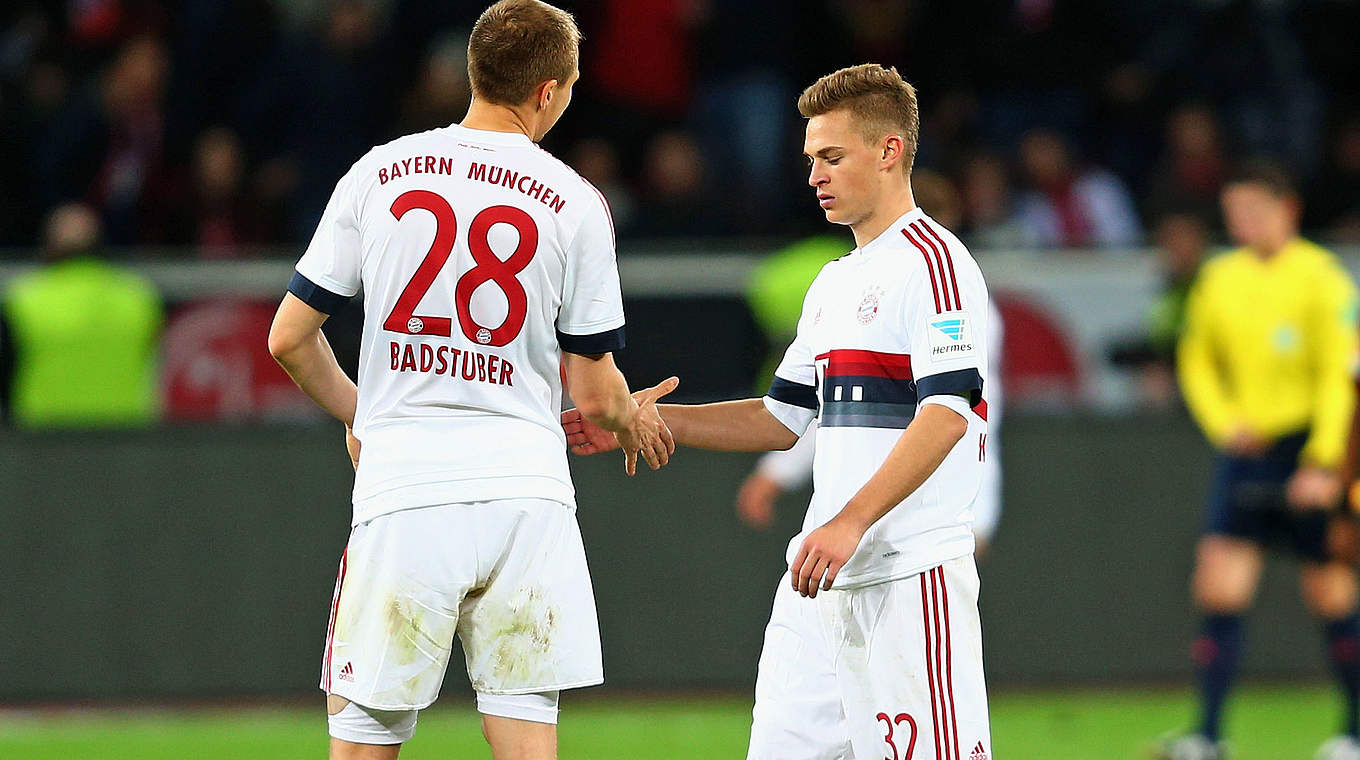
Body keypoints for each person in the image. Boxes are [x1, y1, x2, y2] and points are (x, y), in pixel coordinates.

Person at [265, 3, 673, 758]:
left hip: (407, 490)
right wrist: (631, 419)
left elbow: (289, 338)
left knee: (363, 741)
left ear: (474, 73)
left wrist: (367, 415)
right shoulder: (576, 202)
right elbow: (594, 395)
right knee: (523, 738)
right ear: (549, 91)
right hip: (525, 495)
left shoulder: (378, 174)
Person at [564, 63, 994, 760]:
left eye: (831, 156)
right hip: (819, 585)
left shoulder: (935, 264)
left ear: (889, 151)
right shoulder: (833, 283)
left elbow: (946, 413)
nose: (814, 176)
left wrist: (850, 520)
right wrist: (645, 422)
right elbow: (781, 417)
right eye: (809, 160)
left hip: (909, 575)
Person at [1163, 160, 1360, 760]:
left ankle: (1353, 732)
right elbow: (1196, 359)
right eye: (1234, 215)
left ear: (1288, 209)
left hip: (1310, 453)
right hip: (1249, 454)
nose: (1243, 223)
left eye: (1254, 211)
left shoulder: (1323, 278)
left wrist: (1325, 462)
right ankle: (1208, 734)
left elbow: (1340, 375)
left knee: (1331, 594)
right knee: (1219, 590)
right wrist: (1227, 423)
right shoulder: (1221, 278)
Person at [736, 299, 1004, 557]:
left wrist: (974, 517)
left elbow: (958, 419)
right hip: (873, 536)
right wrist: (778, 471)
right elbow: (843, 403)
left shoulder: (946, 292)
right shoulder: (847, 283)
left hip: (929, 532)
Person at [1, 202, 162, 427]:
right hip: (124, 439)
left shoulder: (21, 300)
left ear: (46, 248)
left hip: (43, 442)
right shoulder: (138, 298)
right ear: (101, 246)